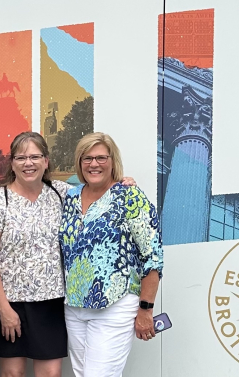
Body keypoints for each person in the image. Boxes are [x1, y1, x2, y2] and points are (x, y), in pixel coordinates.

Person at [59, 132, 163, 377]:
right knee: (82, 373)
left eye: (101, 158)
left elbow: (153, 256)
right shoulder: (70, 197)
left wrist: (146, 310)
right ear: (79, 162)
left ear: (113, 161)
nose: (94, 164)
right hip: (74, 306)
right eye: (87, 158)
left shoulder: (129, 196)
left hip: (115, 305)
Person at [0, 132, 70, 377]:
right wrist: (4, 309)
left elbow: (97, 193)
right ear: (12, 163)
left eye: (35, 156)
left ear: (46, 161)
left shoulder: (62, 194)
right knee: (13, 373)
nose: (28, 163)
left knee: (50, 374)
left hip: (51, 302)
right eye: (21, 157)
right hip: (10, 302)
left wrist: (122, 183)